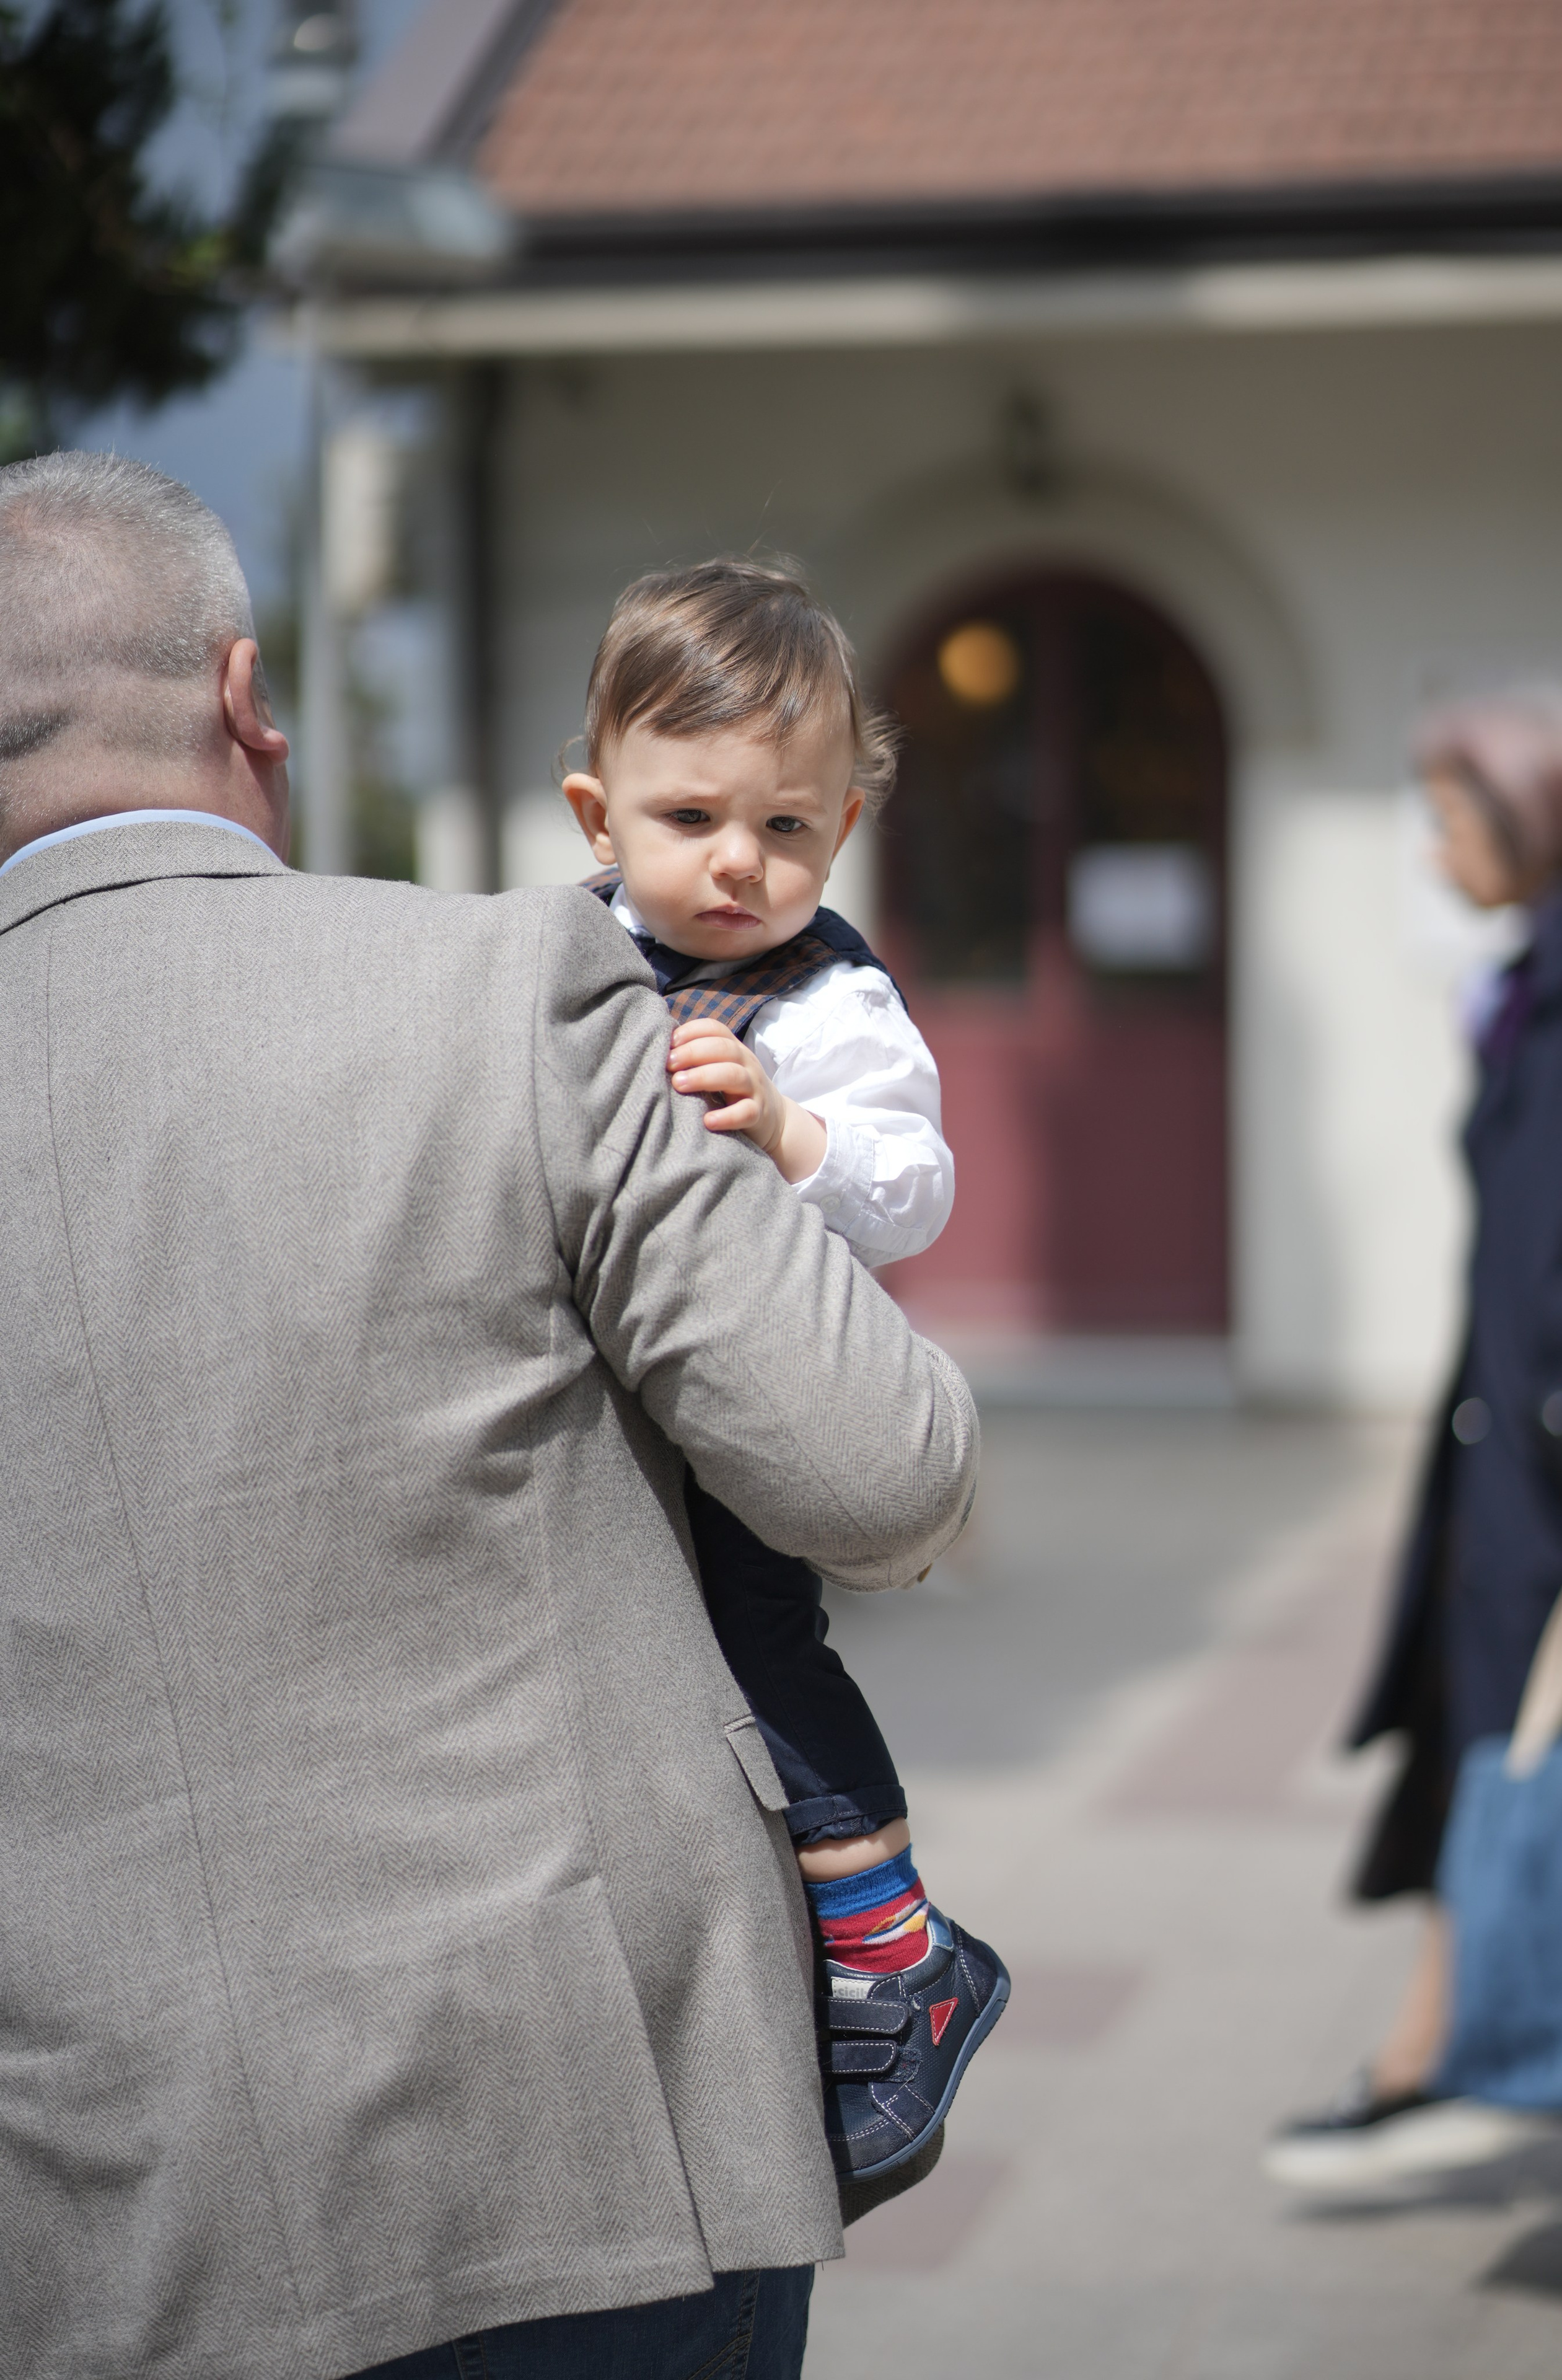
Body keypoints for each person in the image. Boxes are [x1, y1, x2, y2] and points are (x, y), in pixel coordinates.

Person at [0, 453, 980, 2380]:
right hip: (576, 2140)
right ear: (245, 701)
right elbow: (885, 1470)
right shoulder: (510, 990)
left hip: (79, 2209)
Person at [559, 561, 1010, 2190]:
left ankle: (899, 1951)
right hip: (603, 1406)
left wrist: (788, 1122)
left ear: (844, 828)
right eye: (691, 821)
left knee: (763, 1640)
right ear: (596, 814)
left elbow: (913, 1186)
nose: (741, 865)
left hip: (752, 1397)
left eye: (790, 829)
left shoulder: (825, 1001)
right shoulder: (553, 966)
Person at [1266, 687, 1562, 2192]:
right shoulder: (1530, 974)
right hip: (1504, 1448)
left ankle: (1468, 2059)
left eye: (1454, 816)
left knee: (1517, 1747)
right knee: (1482, 1741)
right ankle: (1427, 2056)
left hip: (1550, 1461)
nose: (1434, 844)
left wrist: (1556, 1419)